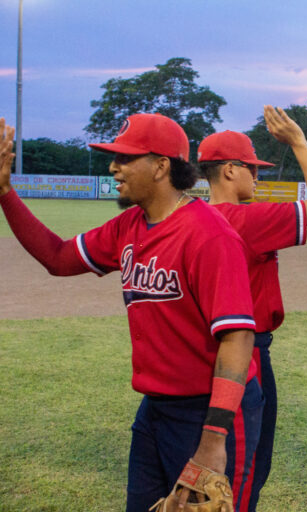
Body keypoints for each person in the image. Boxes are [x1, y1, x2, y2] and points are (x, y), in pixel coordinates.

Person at [0, 114, 261, 512]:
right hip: (155, 408)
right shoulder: (130, 226)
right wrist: (4, 192)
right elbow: (57, 257)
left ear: (161, 166)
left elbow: (238, 338)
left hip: (209, 412)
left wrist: (212, 440)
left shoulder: (210, 235)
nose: (113, 168)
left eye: (124, 159)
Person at [197, 105, 307, 509]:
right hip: (247, 354)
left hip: (202, 350)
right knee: (247, 467)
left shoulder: (192, 217)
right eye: (252, 169)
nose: (257, 176)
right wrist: (299, 140)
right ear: (229, 171)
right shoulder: (247, 220)